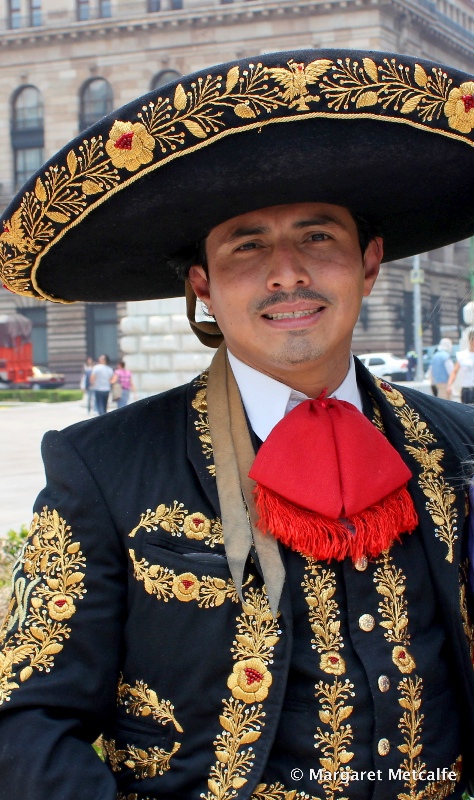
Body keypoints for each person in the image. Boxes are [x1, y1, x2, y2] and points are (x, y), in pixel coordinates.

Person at [0, 48, 474, 800]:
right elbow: (24, 725)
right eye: (247, 246)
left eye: (318, 236)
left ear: (370, 261)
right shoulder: (103, 466)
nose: (287, 271)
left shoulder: (460, 449)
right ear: (204, 285)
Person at [447, 330, 474, 404]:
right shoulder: (462, 355)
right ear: (470, 341)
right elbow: (454, 371)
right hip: (467, 390)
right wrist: (449, 385)